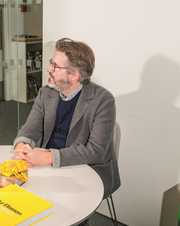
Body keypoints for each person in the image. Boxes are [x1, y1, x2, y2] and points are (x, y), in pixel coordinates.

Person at [13, 37, 120, 224]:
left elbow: (96, 151)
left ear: (74, 75)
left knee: (63, 211)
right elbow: (31, 129)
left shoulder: (103, 100)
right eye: (50, 63)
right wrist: (23, 143)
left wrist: (49, 157)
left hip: (88, 170)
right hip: (48, 165)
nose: (49, 69)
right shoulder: (46, 93)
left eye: (55, 66)